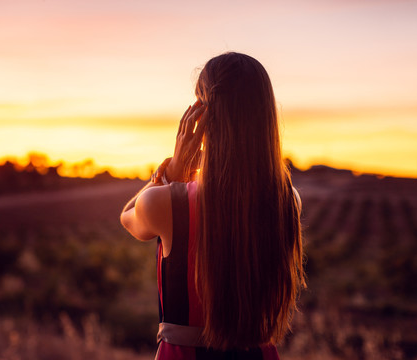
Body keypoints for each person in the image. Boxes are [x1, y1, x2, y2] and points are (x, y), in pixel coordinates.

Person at [120, 52, 305, 360]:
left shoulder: (166, 203)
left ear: (202, 118)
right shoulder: (288, 202)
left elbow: (128, 219)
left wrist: (170, 172)